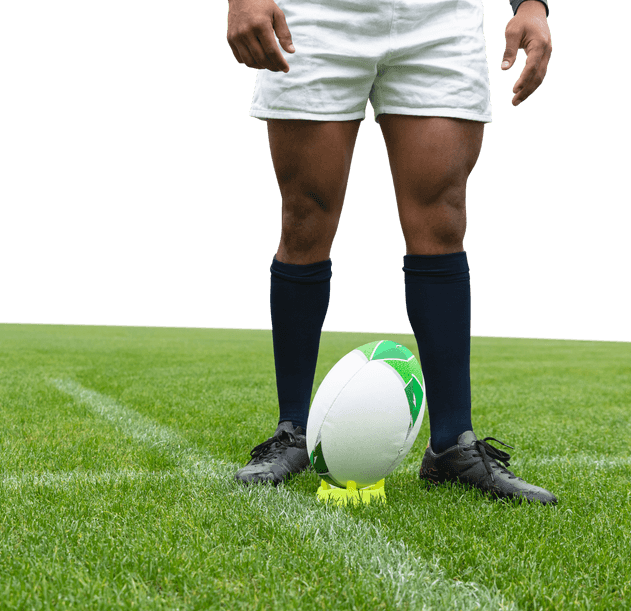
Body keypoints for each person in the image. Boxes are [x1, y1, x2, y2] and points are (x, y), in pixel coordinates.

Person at [228, 0, 557, 504]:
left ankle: (451, 442)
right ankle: (292, 431)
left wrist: (532, 4)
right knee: (306, 216)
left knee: (443, 217)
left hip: (439, 17)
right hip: (314, 15)